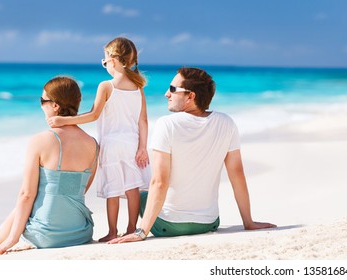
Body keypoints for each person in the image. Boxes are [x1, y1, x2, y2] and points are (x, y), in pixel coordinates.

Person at [108, 67, 275, 244]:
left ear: (190, 96)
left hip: (168, 225)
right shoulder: (226, 123)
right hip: (209, 223)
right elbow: (237, 176)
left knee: (137, 192)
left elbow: (160, 182)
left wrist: (142, 233)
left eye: (173, 89)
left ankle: (129, 229)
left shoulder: (167, 125)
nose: (166, 94)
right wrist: (248, 222)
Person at [47, 37, 151, 242]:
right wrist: (143, 148)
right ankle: (132, 228)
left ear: (112, 60)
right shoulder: (138, 88)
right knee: (132, 189)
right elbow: (143, 121)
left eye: (104, 61)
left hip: (111, 144)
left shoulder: (107, 86)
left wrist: (64, 120)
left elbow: (94, 115)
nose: (104, 65)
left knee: (113, 190)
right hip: (132, 144)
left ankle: (112, 231)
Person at [0, 77, 97, 257]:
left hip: (47, 236)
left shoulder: (41, 140)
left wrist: (13, 238)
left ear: (55, 106)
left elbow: (26, 195)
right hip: (81, 232)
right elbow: (79, 191)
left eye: (43, 101)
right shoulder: (93, 144)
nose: (41, 105)